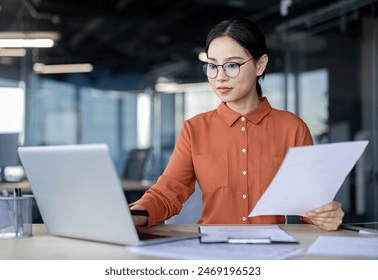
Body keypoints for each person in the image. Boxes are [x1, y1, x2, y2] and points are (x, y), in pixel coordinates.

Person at [130, 18, 344, 231]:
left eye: (232, 65)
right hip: (211, 250)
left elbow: (309, 203)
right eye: (212, 66)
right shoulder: (194, 129)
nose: (220, 77)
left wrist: (325, 215)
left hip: (272, 249)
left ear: (260, 65)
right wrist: (133, 215)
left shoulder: (293, 128)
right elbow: (167, 193)